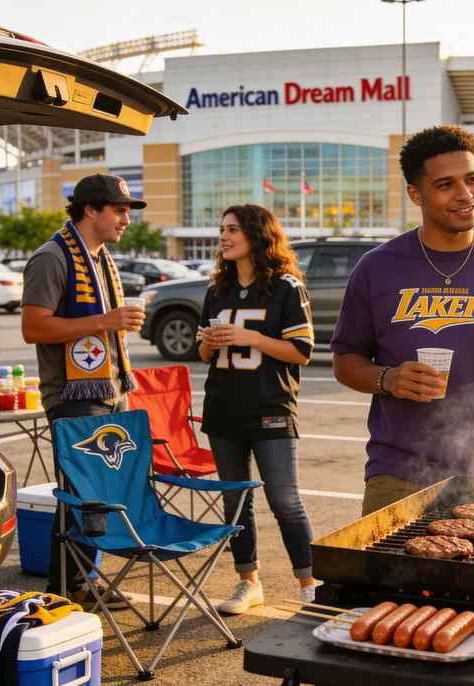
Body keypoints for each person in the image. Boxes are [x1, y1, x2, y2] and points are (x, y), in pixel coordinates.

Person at [330, 125, 474, 514]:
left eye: (472, 179)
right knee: (383, 574)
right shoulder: (377, 268)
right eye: (446, 185)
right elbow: (345, 362)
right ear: (415, 194)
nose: (465, 195)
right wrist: (389, 379)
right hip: (396, 470)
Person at [21, 174, 145, 608]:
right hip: (73, 397)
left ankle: (83, 581)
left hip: (108, 389)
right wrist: (105, 322)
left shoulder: (100, 257)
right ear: (91, 210)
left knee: (99, 497)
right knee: (80, 497)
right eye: (119, 209)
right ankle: (65, 588)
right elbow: (33, 327)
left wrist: (113, 327)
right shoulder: (52, 257)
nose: (126, 218)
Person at [197, 204, 318, 613]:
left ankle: (310, 584)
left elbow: (301, 351)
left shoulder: (286, 287)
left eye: (233, 229)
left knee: (285, 500)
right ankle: (248, 581)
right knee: (236, 502)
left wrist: (251, 337)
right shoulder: (216, 289)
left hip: (271, 407)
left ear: (257, 235)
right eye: (222, 230)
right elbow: (202, 353)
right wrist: (211, 344)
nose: (224, 237)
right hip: (223, 410)